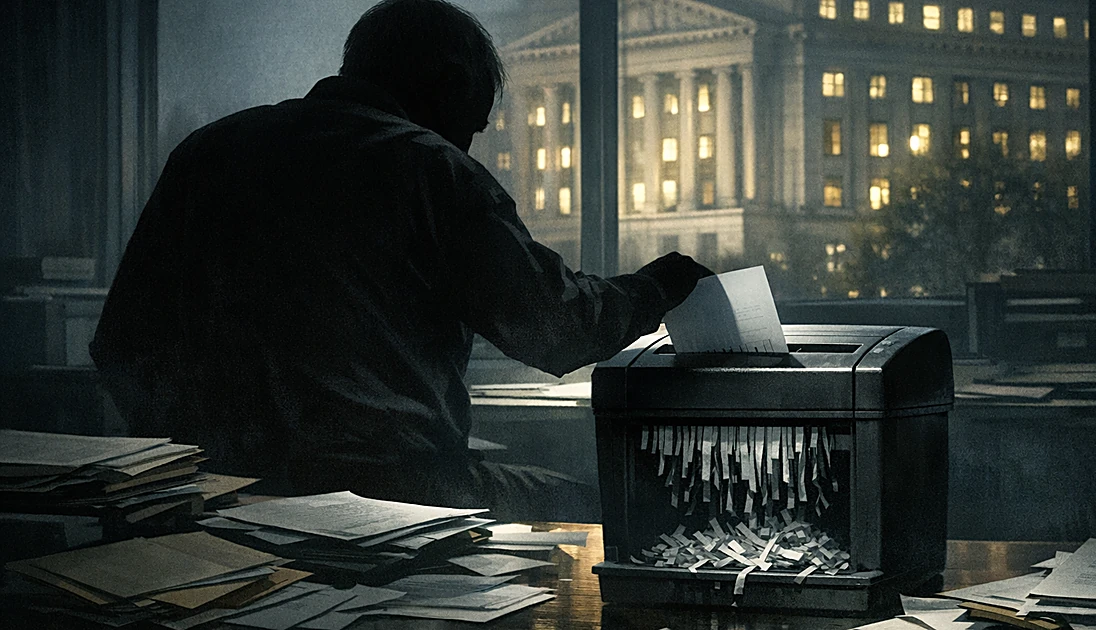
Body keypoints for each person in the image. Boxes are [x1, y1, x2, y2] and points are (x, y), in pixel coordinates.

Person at [90, 0, 712, 521]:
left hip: (208, 492)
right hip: (389, 493)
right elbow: (555, 328)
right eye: (473, 121)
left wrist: (200, 453)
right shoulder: (431, 169)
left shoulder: (206, 153)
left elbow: (119, 343)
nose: (470, 140)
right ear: (446, 86)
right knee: (620, 510)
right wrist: (660, 284)